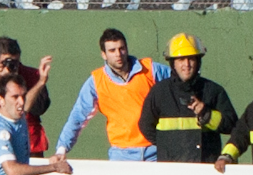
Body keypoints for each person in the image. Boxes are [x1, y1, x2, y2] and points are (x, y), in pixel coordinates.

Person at [55, 28, 169, 161]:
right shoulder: (96, 82)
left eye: (121, 48)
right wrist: (62, 149)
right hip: (121, 155)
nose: (118, 54)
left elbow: (178, 84)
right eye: (112, 50)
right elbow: (78, 116)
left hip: (155, 151)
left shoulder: (151, 69)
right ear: (103, 54)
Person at [137, 33, 239, 163]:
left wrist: (207, 115)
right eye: (181, 59)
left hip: (205, 168)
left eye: (191, 59)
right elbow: (145, 126)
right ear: (173, 63)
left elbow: (233, 126)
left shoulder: (213, 91)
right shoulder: (159, 92)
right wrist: (168, 147)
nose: (187, 64)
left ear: (198, 61)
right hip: (172, 170)